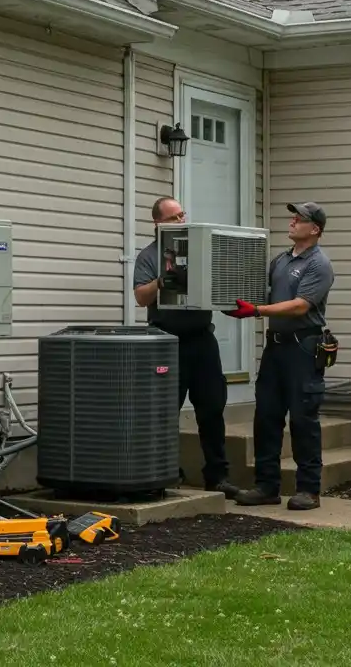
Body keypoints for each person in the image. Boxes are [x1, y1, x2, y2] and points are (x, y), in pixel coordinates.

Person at [226, 202, 335, 511]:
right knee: (266, 417)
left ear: (314, 229)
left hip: (303, 348)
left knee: (303, 420)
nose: (292, 222)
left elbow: (301, 305)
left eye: (299, 219)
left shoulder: (319, 264)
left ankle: (308, 490)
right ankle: (266, 486)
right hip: (275, 348)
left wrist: (256, 311)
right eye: (293, 217)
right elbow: (264, 293)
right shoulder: (281, 260)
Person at [133, 197, 240, 498]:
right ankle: (165, 473)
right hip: (166, 341)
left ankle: (217, 476)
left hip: (202, 340)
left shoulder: (198, 252)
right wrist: (162, 280)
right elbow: (141, 297)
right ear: (157, 224)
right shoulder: (149, 256)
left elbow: (218, 286)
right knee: (165, 410)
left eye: (182, 215)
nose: (181, 221)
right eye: (173, 218)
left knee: (211, 409)